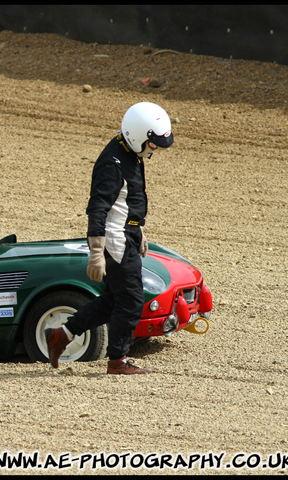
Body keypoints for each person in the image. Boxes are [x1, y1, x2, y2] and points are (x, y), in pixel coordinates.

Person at [45, 102, 173, 375]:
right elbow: (98, 207)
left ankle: (62, 335)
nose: (155, 149)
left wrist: (138, 228)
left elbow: (126, 200)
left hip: (127, 234)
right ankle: (117, 361)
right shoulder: (111, 162)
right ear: (139, 135)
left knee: (114, 301)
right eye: (153, 144)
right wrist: (96, 251)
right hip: (115, 240)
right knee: (131, 300)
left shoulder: (130, 152)